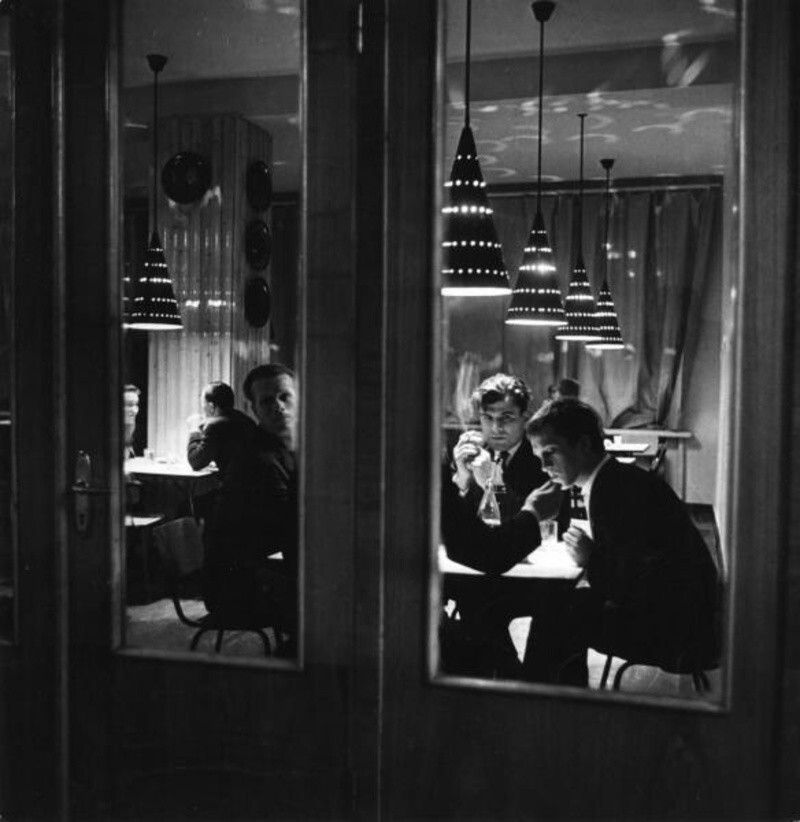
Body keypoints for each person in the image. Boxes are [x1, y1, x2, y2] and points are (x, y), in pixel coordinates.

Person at [519, 398, 720, 685]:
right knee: (559, 604)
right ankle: (556, 696)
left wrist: (590, 558)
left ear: (583, 445)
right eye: (539, 456)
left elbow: (633, 587)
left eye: (551, 452)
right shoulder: (610, 481)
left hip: (678, 631)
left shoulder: (620, 491)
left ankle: (544, 698)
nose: (543, 466)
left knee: (557, 611)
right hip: (674, 616)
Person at [441, 373, 557, 677]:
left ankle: (506, 675)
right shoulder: (469, 453)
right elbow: (459, 529)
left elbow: (529, 523)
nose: (496, 427)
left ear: (524, 418)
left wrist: (496, 484)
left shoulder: (540, 457)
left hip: (527, 573)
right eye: (488, 418)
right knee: (467, 593)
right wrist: (462, 479)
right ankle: (507, 674)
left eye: (506, 418)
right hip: (479, 568)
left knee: (477, 600)